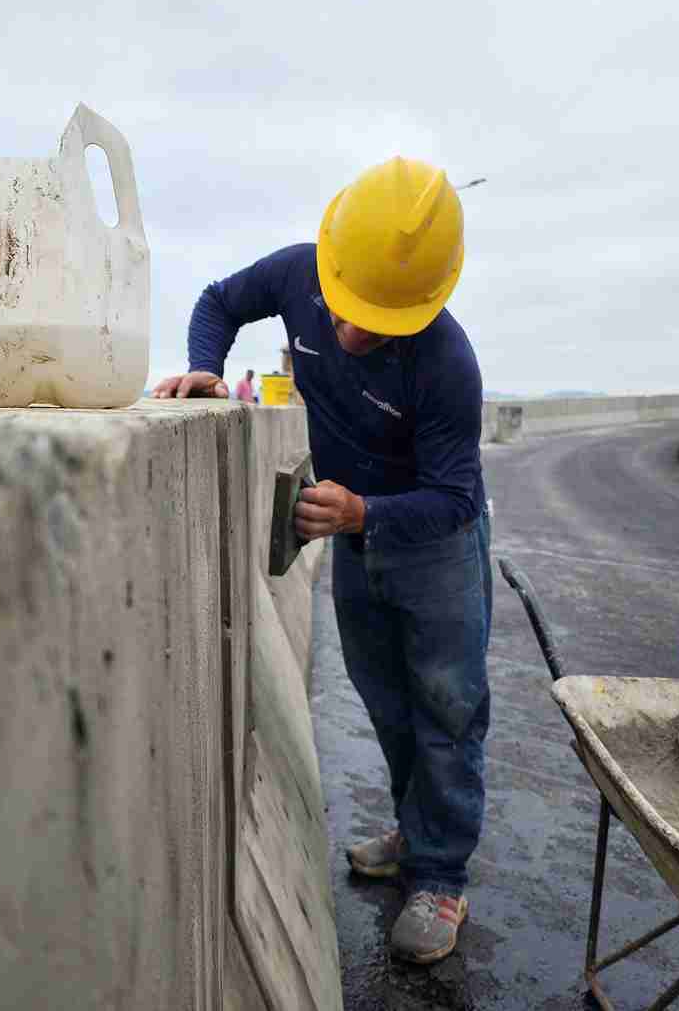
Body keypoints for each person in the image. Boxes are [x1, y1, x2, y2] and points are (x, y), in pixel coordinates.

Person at [152, 157, 491, 965]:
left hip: (431, 545)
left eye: (378, 322)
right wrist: (204, 363)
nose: (350, 335)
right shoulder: (297, 270)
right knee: (384, 699)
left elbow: (454, 497)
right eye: (344, 311)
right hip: (353, 532)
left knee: (445, 704)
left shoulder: (445, 362)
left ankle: (440, 874)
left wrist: (365, 511)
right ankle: (416, 837)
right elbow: (218, 302)